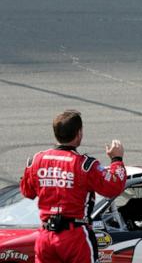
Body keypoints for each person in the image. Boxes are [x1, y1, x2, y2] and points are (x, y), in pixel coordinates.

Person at [20, 110, 127, 263]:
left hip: (45, 236)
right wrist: (116, 159)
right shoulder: (85, 165)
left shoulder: (36, 160)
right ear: (79, 134)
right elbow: (114, 187)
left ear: (55, 133)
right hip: (74, 236)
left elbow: (27, 192)